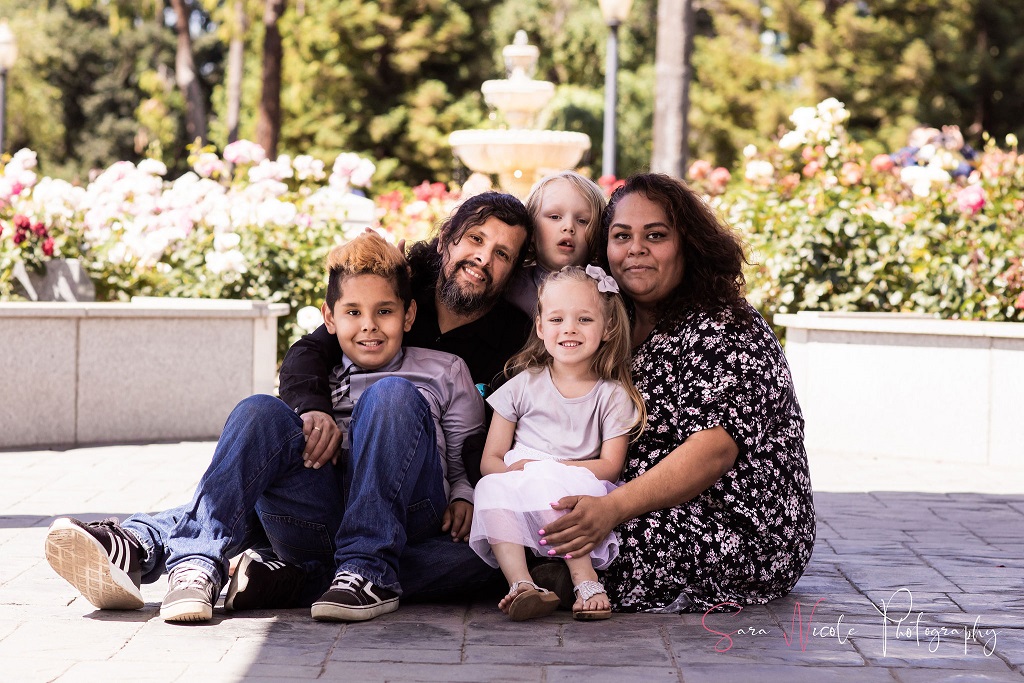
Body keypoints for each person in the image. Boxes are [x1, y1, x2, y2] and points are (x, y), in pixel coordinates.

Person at [43, 192, 534, 622]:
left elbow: (465, 449)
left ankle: (159, 544)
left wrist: (467, 494)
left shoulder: (480, 352)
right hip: (320, 508)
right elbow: (305, 356)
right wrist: (311, 409)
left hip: (409, 508)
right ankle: (204, 564)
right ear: (448, 238)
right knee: (260, 413)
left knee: (482, 555)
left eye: (501, 254)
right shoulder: (375, 301)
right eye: (474, 239)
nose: (483, 258)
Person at [538, 173, 816, 613]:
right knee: (519, 517)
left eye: (656, 235)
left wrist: (612, 508)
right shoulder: (612, 321)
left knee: (540, 538)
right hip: (635, 504)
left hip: (731, 524)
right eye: (622, 236)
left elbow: (714, 449)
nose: (636, 249)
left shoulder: (726, 327)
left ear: (688, 244)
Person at [469, 266, 644, 622]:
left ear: (607, 327)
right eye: (557, 318)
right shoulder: (520, 385)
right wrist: (512, 472)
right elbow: (490, 459)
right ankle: (520, 583)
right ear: (540, 326)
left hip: (577, 488)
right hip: (521, 487)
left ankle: (585, 579)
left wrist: (550, 470)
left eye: (583, 319)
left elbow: (611, 465)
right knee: (488, 487)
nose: (569, 329)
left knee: (547, 482)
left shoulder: (611, 395)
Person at [504, 171, 606, 316]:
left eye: (582, 221)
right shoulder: (508, 287)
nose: (569, 226)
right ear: (531, 229)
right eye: (555, 217)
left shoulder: (606, 292)